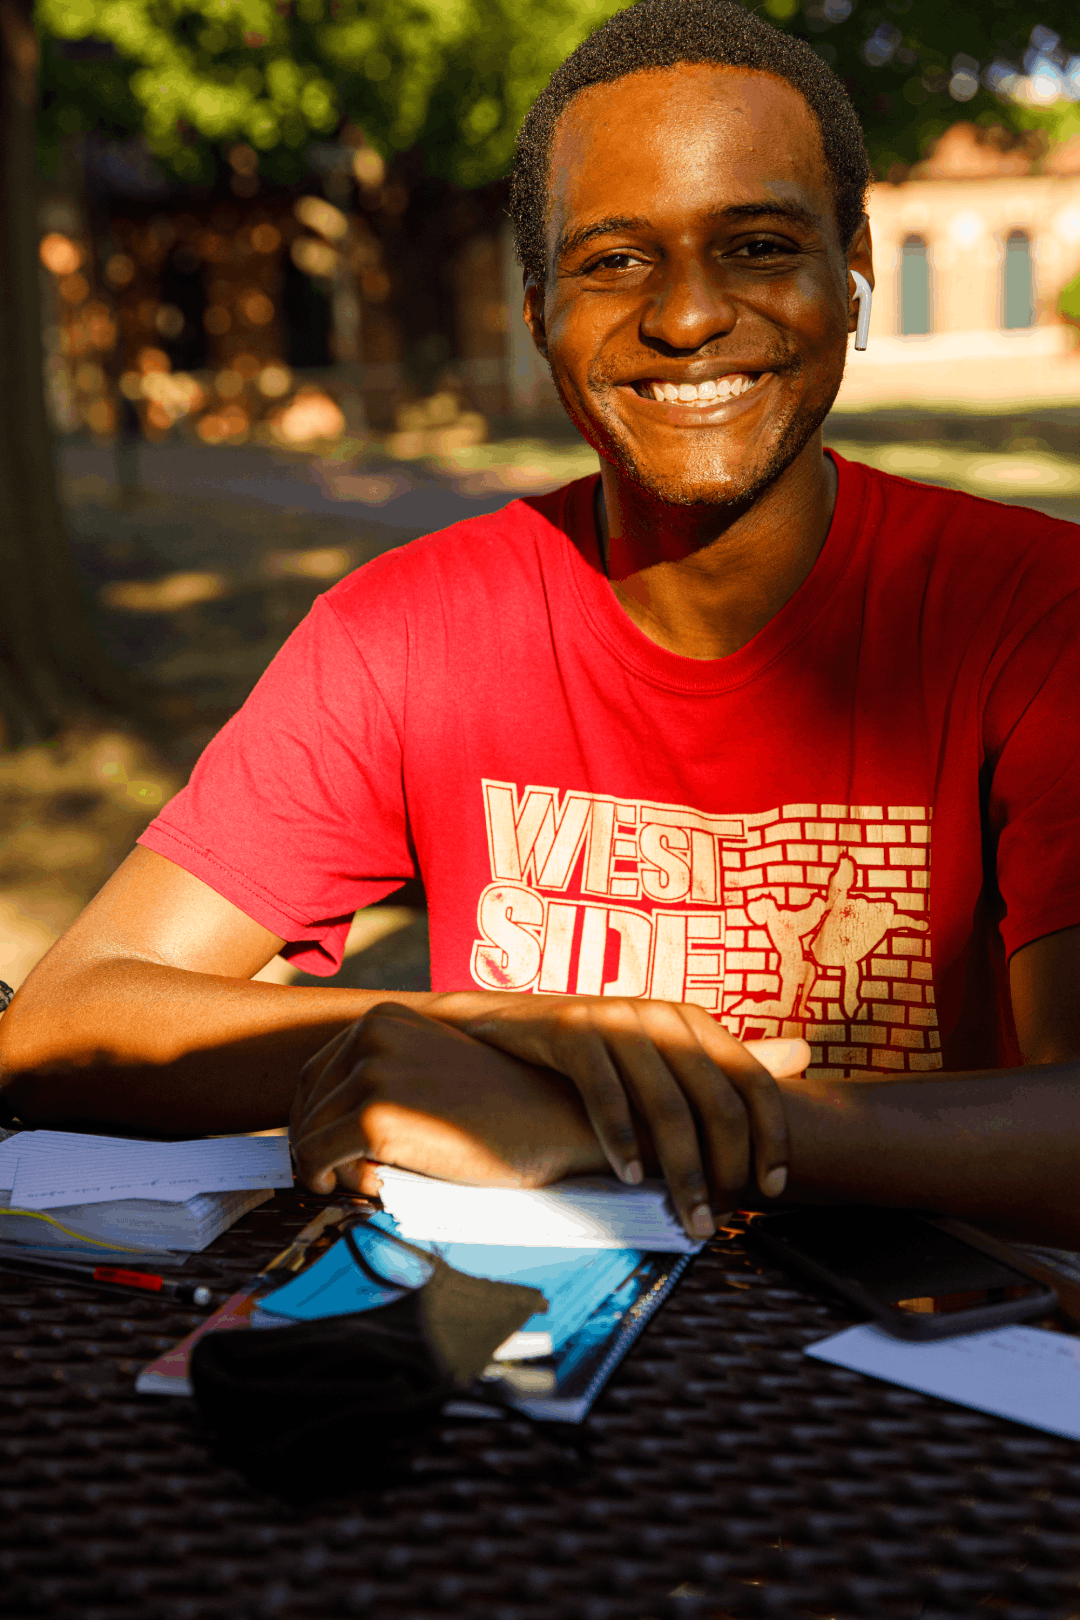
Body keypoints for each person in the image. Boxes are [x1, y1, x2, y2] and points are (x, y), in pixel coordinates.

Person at [4, 0, 1080, 1245]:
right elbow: (65, 1019)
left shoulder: (1032, 617)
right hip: (519, 1364)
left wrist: (627, 1122)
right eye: (614, 260)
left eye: (758, 245)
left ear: (856, 272)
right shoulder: (409, 631)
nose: (685, 318)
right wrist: (481, 1032)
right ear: (535, 311)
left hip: (921, 1372)